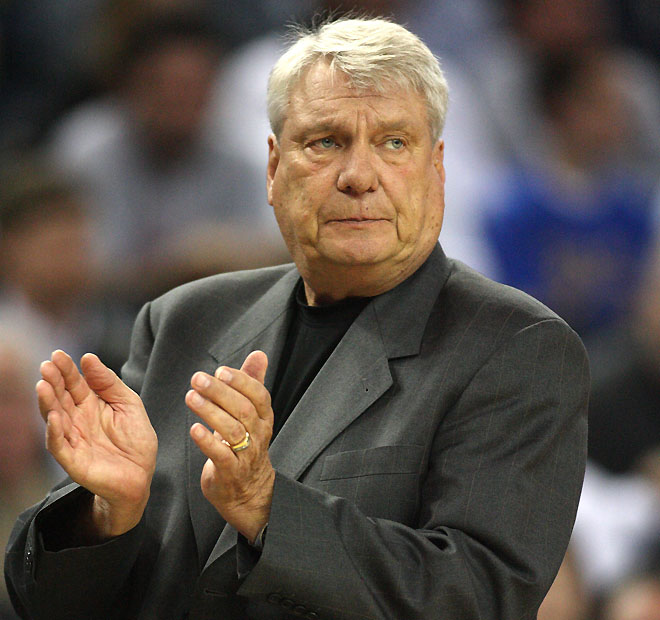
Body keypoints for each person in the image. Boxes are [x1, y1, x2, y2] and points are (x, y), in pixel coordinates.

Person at [4, 17, 589, 620]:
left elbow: (476, 594)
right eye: (326, 142)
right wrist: (107, 516)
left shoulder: (517, 348)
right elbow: (45, 602)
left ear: (436, 170)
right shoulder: (182, 319)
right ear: (273, 168)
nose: (359, 177)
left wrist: (266, 506)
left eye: (394, 143)